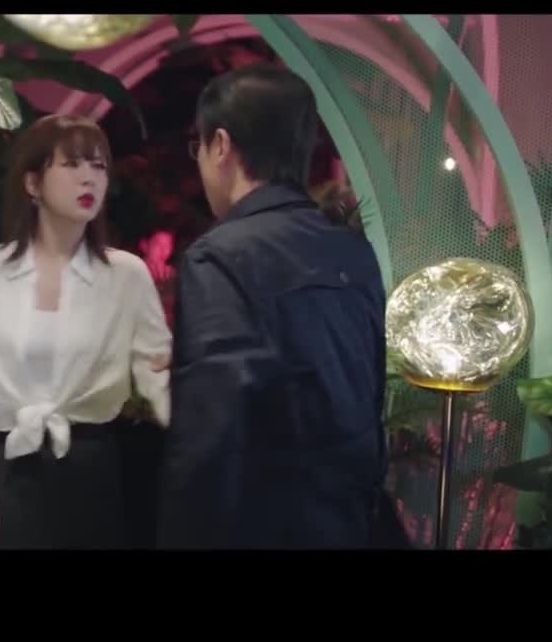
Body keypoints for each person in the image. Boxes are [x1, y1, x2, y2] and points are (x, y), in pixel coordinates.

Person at [157, 63, 390, 549]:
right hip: (343, 523)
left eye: (199, 146)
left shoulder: (221, 255)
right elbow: (370, 400)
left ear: (221, 145)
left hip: (256, 526)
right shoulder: (351, 250)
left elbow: (211, 432)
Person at [0, 114, 172, 549]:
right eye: (72, 165)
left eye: (99, 166)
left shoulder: (127, 274)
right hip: (9, 466)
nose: (89, 178)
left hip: (91, 469)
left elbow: (157, 374)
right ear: (33, 183)